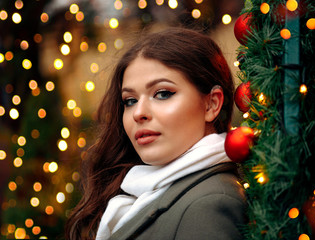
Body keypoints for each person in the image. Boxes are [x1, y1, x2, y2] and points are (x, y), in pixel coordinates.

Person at [65, 28, 246, 240]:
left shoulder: (211, 204)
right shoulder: (144, 191)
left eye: (162, 94)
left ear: (211, 104)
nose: (138, 113)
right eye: (130, 101)